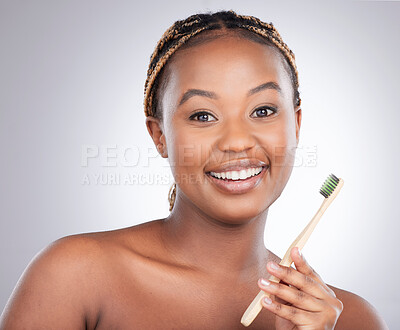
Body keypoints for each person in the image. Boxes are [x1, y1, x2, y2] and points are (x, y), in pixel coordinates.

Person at [0, 10, 388, 329]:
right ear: (159, 136)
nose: (236, 142)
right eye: (203, 115)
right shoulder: (75, 277)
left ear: (297, 125)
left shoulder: (351, 319)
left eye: (263, 111)